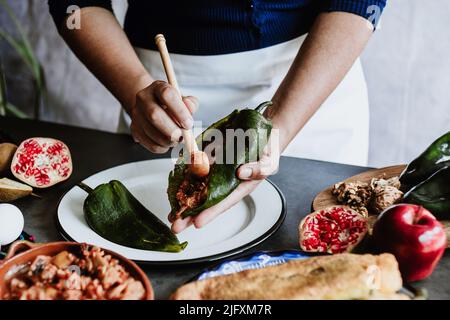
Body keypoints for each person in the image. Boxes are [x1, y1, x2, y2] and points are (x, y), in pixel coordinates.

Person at [48, 0, 386, 233]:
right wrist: (135, 90)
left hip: (309, 79)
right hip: (157, 85)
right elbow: (74, 2)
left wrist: (279, 123)